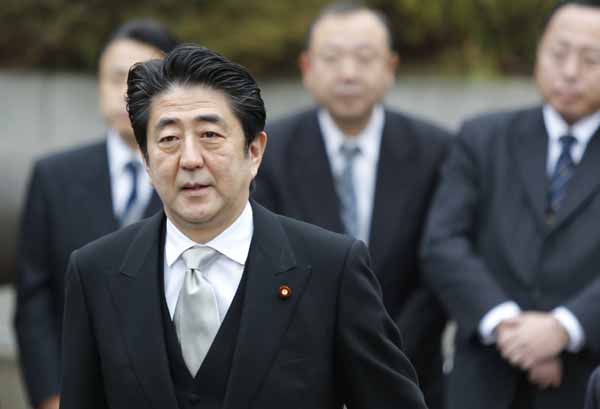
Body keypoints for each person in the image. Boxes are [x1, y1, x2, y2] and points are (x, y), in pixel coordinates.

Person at [59, 44, 427, 409]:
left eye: (210, 136)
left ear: (254, 152)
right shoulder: (96, 272)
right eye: (169, 139)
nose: (190, 159)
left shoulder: (331, 268)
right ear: (146, 160)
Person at [253, 2, 449, 407]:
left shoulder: (436, 149)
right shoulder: (266, 150)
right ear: (307, 67)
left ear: (390, 67)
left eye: (364, 58)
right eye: (331, 58)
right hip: (299, 375)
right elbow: (267, 264)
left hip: (412, 373)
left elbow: (438, 266)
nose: (348, 73)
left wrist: (383, 355)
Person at [420, 1, 600, 408]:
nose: (570, 71)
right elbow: (443, 243)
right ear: (538, 54)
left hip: (586, 380)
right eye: (558, 53)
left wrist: (565, 328)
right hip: (484, 376)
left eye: (591, 59)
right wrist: (506, 326)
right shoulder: (483, 137)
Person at [13, 20, 178, 409]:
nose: (127, 92)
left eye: (143, 77)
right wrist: (52, 395)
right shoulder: (54, 176)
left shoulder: (196, 176)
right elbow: (34, 297)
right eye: (117, 77)